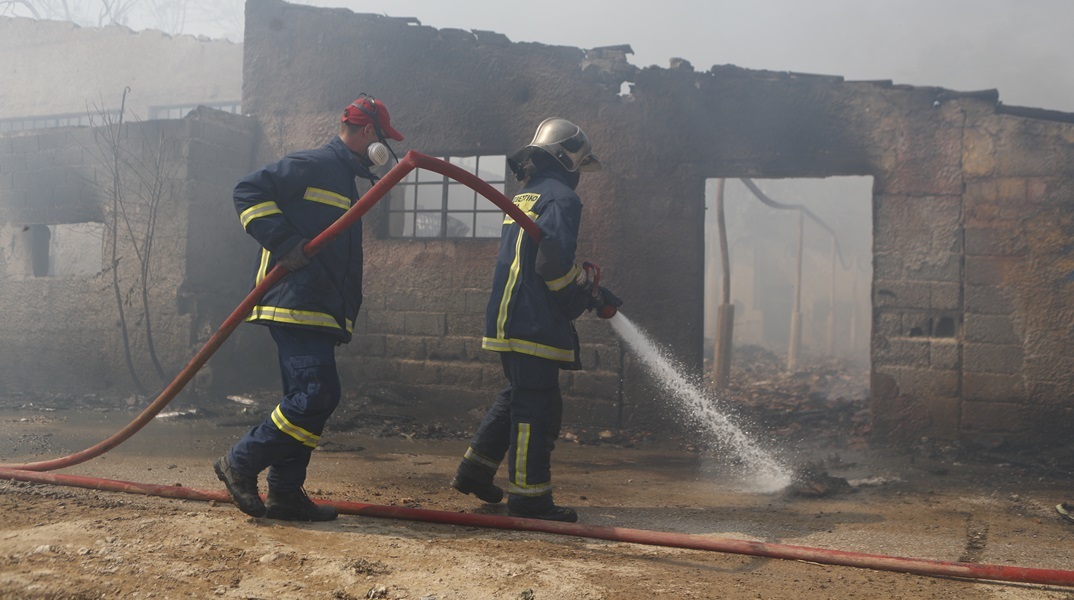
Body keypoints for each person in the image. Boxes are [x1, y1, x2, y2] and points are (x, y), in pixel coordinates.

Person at [213, 95, 404, 522]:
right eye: (384, 140)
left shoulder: (342, 179)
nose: (383, 152)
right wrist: (282, 242)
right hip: (295, 300)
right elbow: (248, 191)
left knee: (310, 397)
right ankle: (239, 462)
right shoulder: (315, 164)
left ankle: (284, 494)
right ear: (369, 133)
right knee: (317, 393)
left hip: (317, 307)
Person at [450, 118, 622, 522]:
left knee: (518, 396)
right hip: (535, 322)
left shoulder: (526, 195)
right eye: (579, 167)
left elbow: (540, 258)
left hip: (508, 318)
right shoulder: (563, 198)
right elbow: (552, 266)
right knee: (538, 408)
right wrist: (577, 299)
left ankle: (475, 470)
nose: (578, 176)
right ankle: (529, 498)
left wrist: (588, 289)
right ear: (567, 161)